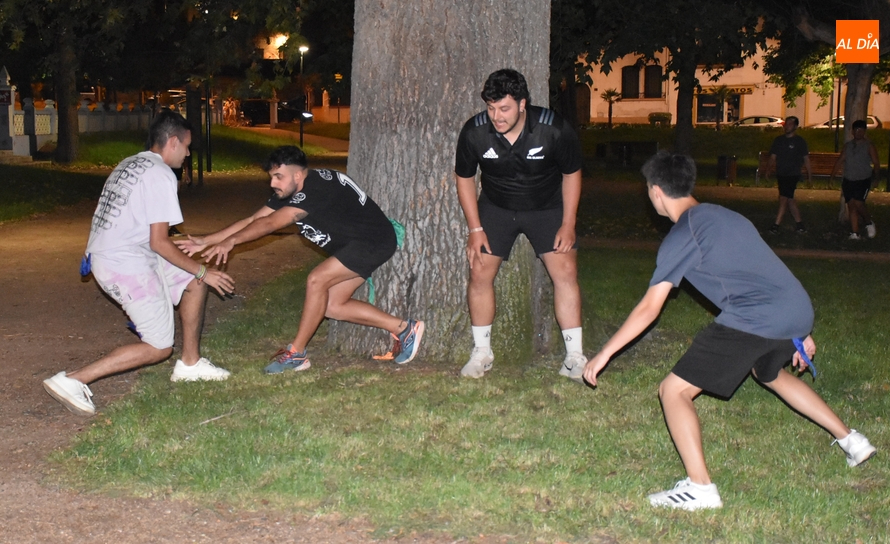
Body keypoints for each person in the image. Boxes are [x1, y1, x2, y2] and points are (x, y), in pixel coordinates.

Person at [583, 151, 876, 511]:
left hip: (757, 318)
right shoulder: (725, 215)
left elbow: (649, 308)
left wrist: (604, 353)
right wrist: (798, 326)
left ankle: (700, 488)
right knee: (768, 373)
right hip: (794, 307)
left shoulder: (683, 233)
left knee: (673, 391)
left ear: (656, 191)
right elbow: (762, 269)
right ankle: (852, 441)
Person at [43, 110, 235, 416]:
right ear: (172, 142)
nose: (187, 153)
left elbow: (145, 232)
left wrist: (194, 265)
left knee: (193, 282)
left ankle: (190, 364)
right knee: (159, 346)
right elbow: (159, 241)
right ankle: (72, 380)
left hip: (126, 252)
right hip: (124, 263)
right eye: (186, 146)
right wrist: (203, 269)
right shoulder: (160, 174)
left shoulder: (130, 163)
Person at [175, 145, 424, 373]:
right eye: (271, 177)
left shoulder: (315, 192)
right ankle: (405, 329)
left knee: (317, 280)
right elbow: (254, 220)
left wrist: (231, 242)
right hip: (357, 242)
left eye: (278, 177)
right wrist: (208, 239)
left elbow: (271, 223)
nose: (273, 183)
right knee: (331, 306)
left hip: (373, 241)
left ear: (297, 175)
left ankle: (297, 353)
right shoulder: (294, 188)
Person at [454, 68, 585, 380]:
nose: (496, 116)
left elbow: (572, 174)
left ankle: (574, 357)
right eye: (491, 108)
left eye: (504, 109)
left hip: (547, 207)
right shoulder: (474, 131)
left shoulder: (553, 128)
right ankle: (482, 352)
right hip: (497, 207)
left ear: (523, 104)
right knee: (479, 270)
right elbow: (464, 179)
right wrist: (475, 229)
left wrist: (568, 223)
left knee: (565, 272)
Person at [832, 119, 880, 240]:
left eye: (861, 130)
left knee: (859, 203)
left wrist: (876, 178)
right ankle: (855, 232)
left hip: (863, 179)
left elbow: (876, 162)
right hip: (849, 179)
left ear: (864, 131)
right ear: (853, 131)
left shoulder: (869, 145)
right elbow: (841, 160)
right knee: (851, 205)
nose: (858, 132)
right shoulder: (848, 145)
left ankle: (868, 222)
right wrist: (832, 176)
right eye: (856, 130)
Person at [765, 116, 811, 233]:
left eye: (790, 124)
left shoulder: (799, 141)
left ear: (795, 126)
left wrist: (809, 175)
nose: (787, 126)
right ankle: (800, 224)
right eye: (786, 123)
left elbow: (806, 159)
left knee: (783, 198)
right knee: (789, 199)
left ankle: (776, 225)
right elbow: (773, 157)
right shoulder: (779, 140)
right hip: (781, 173)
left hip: (793, 174)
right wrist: (768, 169)